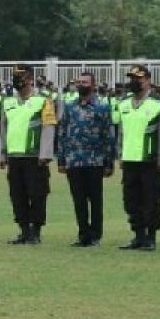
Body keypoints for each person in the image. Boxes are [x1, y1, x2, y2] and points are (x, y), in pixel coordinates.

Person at [0, 65, 59, 245]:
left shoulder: (43, 100)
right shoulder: (8, 102)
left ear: (30, 79)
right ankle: (23, 230)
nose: (18, 80)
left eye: (21, 76)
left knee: (37, 194)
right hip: (15, 156)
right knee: (17, 195)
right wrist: (2, 154)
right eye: (15, 76)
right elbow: (3, 129)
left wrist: (45, 152)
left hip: (34, 156)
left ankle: (36, 231)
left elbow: (48, 126)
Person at [117, 65, 160, 251]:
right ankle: (138, 235)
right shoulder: (124, 103)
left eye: (138, 78)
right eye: (132, 78)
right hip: (130, 160)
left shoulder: (158, 103)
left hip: (150, 160)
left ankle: (151, 237)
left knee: (151, 200)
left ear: (148, 80)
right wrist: (120, 156)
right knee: (131, 200)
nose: (134, 82)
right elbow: (122, 133)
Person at [57, 72, 115, 247]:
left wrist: (109, 161)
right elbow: (62, 132)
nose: (81, 85)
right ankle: (83, 234)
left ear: (93, 85)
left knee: (95, 200)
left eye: (85, 82)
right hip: (74, 160)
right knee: (78, 200)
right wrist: (61, 158)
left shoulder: (102, 107)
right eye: (79, 82)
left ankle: (95, 235)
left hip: (94, 160)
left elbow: (108, 135)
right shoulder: (69, 106)